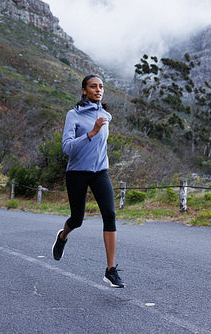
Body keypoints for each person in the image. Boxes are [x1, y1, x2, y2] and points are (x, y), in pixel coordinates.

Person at [52, 74, 124, 288]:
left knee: (110, 215)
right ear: (84, 90)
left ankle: (110, 270)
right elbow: (66, 147)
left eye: (101, 86)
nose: (98, 90)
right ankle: (63, 235)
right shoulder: (73, 115)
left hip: (100, 171)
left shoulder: (106, 115)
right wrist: (91, 133)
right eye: (93, 86)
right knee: (77, 219)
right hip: (77, 172)